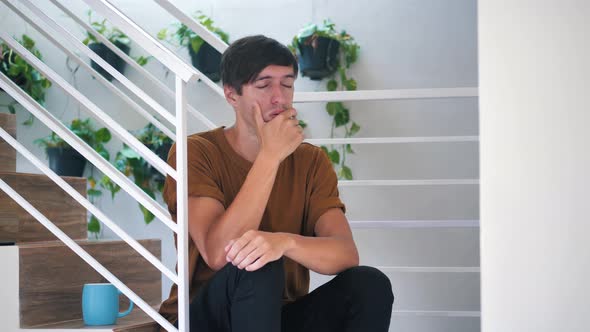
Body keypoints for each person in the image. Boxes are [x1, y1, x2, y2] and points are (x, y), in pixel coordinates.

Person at [158, 35, 393, 332]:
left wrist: (284, 242)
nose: (279, 97)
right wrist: (270, 156)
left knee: (369, 284)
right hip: (204, 318)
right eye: (264, 84)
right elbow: (218, 254)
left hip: (278, 318)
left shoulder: (310, 161)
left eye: (287, 83)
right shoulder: (195, 152)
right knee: (257, 265)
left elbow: (345, 254)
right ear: (231, 95)